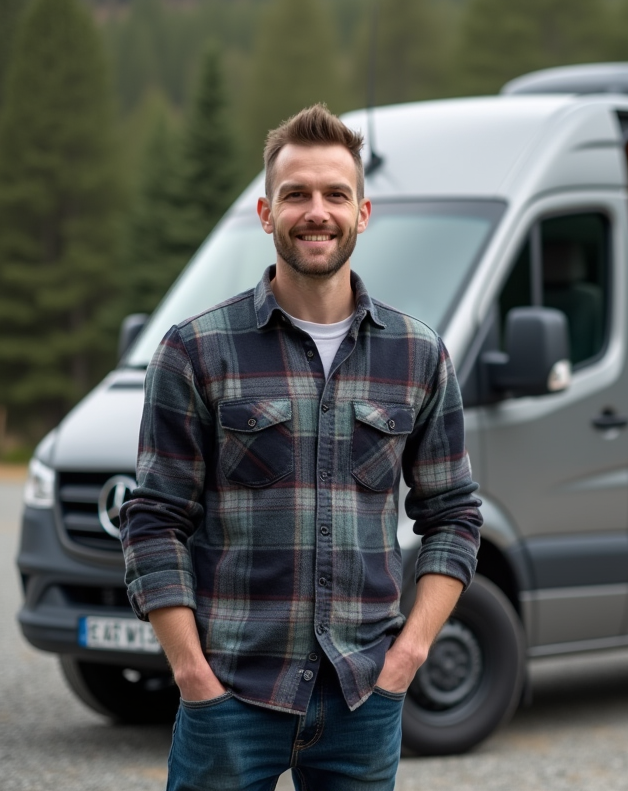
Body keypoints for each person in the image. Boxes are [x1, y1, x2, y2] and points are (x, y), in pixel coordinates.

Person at [121, 103, 482, 791]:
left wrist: (407, 658)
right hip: (229, 694)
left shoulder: (417, 355)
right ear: (266, 213)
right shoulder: (196, 350)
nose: (317, 211)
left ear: (363, 213)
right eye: (297, 195)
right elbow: (153, 520)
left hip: (362, 699)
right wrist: (192, 674)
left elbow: (455, 516)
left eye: (334, 195)